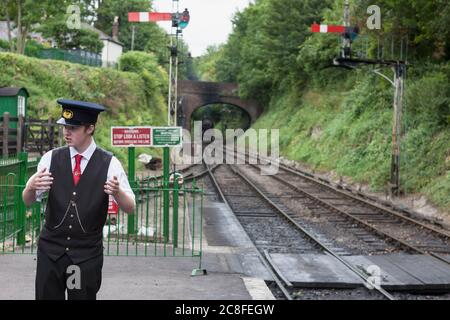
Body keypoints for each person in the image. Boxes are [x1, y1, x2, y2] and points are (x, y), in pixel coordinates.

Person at [22, 99, 136, 300]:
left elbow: (130, 207)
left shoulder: (110, 163)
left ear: (90, 128)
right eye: (65, 126)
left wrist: (117, 192)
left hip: (85, 257)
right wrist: (30, 187)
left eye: (73, 128)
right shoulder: (50, 158)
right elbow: (28, 200)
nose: (67, 132)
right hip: (51, 253)